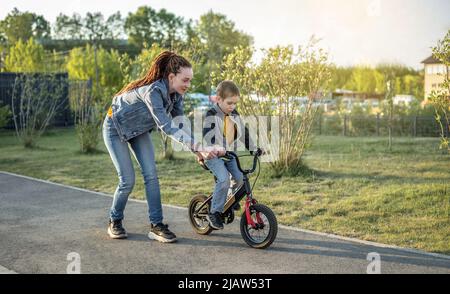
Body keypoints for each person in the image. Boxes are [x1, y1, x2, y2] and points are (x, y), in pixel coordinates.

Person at [103, 51, 221, 243]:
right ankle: (114, 220)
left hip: (138, 131)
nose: (188, 85)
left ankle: (156, 225)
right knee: (127, 180)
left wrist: (197, 150)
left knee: (151, 175)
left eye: (190, 81)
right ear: (171, 77)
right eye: (185, 80)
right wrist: (198, 147)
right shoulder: (153, 92)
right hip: (115, 128)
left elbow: (181, 123)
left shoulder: (176, 95)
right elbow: (166, 126)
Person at [202, 80, 257, 230]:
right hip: (212, 155)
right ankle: (214, 213)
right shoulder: (211, 114)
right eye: (229, 103)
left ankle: (229, 200)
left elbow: (243, 133)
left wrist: (254, 148)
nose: (232, 107)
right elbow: (208, 135)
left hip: (228, 154)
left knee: (239, 179)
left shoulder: (234, 114)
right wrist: (216, 146)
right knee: (224, 180)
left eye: (235, 104)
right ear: (218, 99)